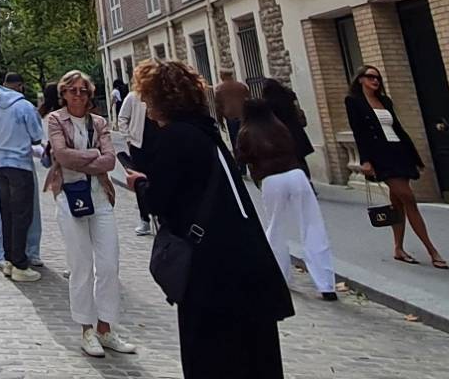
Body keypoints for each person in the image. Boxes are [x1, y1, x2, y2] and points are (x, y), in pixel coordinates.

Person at [124, 61, 292, 379]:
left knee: (212, 358)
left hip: (211, 271)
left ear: (161, 100)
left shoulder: (175, 137)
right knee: (255, 358)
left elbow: (161, 200)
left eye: (147, 99)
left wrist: (141, 185)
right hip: (245, 262)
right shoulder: (207, 132)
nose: (146, 108)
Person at [44, 70, 138, 357]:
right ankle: (86, 329)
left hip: (99, 196)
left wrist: (86, 160)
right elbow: (61, 155)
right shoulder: (56, 120)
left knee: (109, 264)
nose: (78, 95)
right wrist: (93, 156)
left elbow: (110, 161)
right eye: (72, 90)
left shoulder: (98, 122)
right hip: (69, 196)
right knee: (81, 264)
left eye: (83, 91)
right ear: (63, 93)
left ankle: (105, 328)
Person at [345, 66, 447, 268]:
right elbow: (359, 132)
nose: (375, 80)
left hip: (399, 151)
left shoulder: (385, 101)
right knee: (408, 198)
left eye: (378, 77)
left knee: (398, 202)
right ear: (360, 80)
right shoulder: (353, 102)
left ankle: (398, 249)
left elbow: (397, 128)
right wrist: (365, 160)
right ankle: (432, 250)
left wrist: (414, 157)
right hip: (381, 155)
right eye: (371, 77)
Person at [235, 98, 337, 300]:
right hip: (295, 174)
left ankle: (280, 276)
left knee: (276, 228)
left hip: (270, 179)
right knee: (312, 225)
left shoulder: (246, 132)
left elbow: (242, 158)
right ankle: (326, 284)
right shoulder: (279, 127)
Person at [0, 72, 44, 281]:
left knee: (7, 214)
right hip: (20, 165)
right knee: (22, 215)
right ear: (20, 86)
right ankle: (20, 264)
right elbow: (37, 137)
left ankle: (8, 259)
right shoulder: (24, 107)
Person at [115, 81, 155, 236]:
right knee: (139, 182)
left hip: (158, 144)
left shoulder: (158, 95)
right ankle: (145, 219)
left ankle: (160, 214)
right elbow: (122, 118)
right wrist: (128, 138)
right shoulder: (133, 97)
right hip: (139, 146)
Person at [258, 78, 314, 175]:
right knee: (300, 158)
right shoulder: (289, 95)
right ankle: (306, 177)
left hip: (281, 134)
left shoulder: (267, 102)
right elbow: (297, 108)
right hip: (296, 130)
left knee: (288, 161)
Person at [214, 70, 249, 146]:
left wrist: (220, 121)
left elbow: (218, 106)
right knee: (246, 139)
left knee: (235, 141)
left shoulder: (219, 89)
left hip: (230, 117)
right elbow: (248, 100)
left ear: (222, 75)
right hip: (243, 116)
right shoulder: (241, 86)